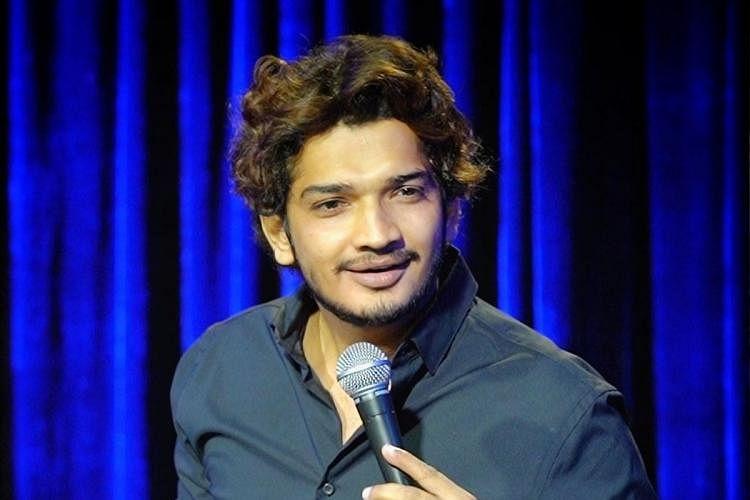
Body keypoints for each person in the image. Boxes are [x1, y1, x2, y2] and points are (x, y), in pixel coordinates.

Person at [171, 34, 655, 499]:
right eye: (332, 204)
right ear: (279, 233)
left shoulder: (568, 414)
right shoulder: (221, 369)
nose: (377, 234)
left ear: (451, 209)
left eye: (405, 192)